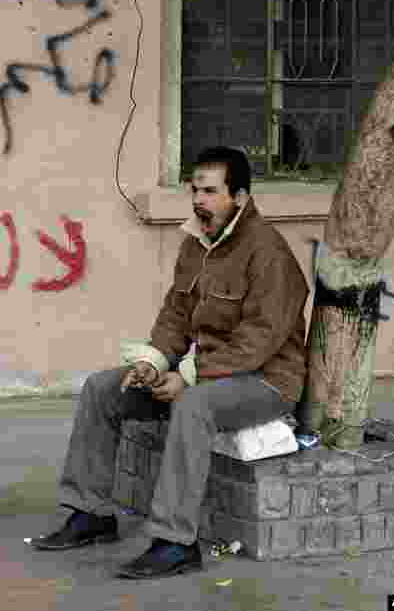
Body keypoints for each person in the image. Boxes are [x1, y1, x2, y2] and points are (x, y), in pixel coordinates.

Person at [32, 146, 308, 579]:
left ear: (240, 196)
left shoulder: (268, 251)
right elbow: (176, 316)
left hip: (266, 381)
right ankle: (91, 514)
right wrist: (156, 362)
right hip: (207, 374)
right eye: (195, 190)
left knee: (194, 406)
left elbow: (262, 339)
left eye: (211, 191)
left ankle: (175, 542)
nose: (199, 200)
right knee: (104, 388)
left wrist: (189, 376)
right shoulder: (195, 243)